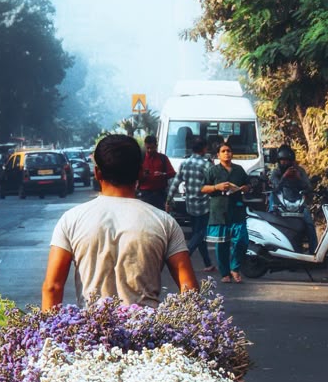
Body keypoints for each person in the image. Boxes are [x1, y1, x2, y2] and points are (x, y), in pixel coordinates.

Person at [42, 133, 197, 310]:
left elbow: (52, 287)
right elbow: (189, 288)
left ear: (97, 172)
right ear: (140, 172)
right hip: (148, 333)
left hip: (90, 333)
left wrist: (50, 333)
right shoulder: (164, 222)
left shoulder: (71, 220)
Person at [202, 140, 251, 283]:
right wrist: (217, 187)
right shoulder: (212, 170)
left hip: (237, 209)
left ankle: (235, 268)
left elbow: (248, 185)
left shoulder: (239, 169)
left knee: (242, 240)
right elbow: (203, 188)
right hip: (219, 210)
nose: (226, 153)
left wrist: (243, 188)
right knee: (221, 244)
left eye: (228, 151)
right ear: (218, 155)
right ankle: (225, 273)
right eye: (223, 151)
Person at [167, 136, 215, 273]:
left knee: (197, 233)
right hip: (204, 205)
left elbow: (175, 183)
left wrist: (169, 200)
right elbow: (212, 185)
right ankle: (184, 256)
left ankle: (207, 263)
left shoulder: (184, 164)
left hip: (190, 204)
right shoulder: (206, 165)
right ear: (204, 148)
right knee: (200, 234)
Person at [269, 144, 318, 252]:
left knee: (309, 224)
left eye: (287, 160)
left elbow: (308, 187)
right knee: (273, 222)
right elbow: (275, 188)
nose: (285, 162)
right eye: (282, 160)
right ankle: (275, 249)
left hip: (299, 204)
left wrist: (298, 178)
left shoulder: (299, 171)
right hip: (281, 204)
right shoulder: (276, 172)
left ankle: (314, 251)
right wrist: (284, 177)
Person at [138, 134, 175, 211]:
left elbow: (172, 173)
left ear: (156, 146)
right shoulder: (141, 158)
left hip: (159, 194)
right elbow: (133, 176)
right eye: (148, 148)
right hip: (144, 195)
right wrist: (143, 175)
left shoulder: (163, 158)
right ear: (145, 145)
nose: (150, 150)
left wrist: (163, 174)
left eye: (152, 148)